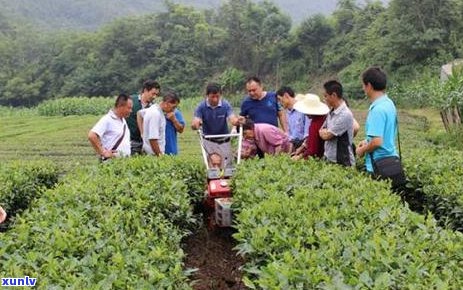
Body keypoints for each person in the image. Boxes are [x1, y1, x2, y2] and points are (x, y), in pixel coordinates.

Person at [355, 67, 404, 186]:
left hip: (378, 166)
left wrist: (362, 150)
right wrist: (366, 141)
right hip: (391, 161)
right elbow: (384, 134)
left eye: (363, 85)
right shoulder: (388, 103)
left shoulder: (377, 110)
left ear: (369, 86)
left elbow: (377, 142)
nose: (363, 88)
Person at [192, 83, 239, 166]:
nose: (215, 99)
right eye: (212, 97)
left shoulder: (225, 105)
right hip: (208, 141)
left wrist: (237, 122)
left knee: (227, 167)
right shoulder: (201, 107)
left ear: (220, 95)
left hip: (224, 140)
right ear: (207, 96)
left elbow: (232, 118)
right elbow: (196, 121)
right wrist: (196, 124)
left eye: (217, 96)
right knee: (211, 167)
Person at [319, 80, 356, 166]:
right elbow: (321, 130)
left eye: (326, 96)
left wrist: (326, 132)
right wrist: (326, 132)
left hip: (342, 162)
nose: (324, 99)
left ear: (334, 95)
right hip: (329, 158)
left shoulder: (345, 114)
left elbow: (327, 136)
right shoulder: (331, 112)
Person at [88, 94, 132, 161]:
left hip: (122, 163)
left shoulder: (123, 120)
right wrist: (103, 152)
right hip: (111, 163)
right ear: (120, 106)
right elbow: (92, 135)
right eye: (129, 108)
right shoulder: (107, 119)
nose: (131, 111)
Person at [126, 79, 161, 155]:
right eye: (153, 94)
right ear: (145, 90)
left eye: (156, 95)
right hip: (129, 141)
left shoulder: (153, 108)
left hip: (144, 144)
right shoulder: (131, 101)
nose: (154, 97)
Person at [139, 92, 180, 156]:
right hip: (153, 155)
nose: (173, 110)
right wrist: (160, 156)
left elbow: (139, 113)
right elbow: (153, 139)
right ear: (167, 103)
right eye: (173, 107)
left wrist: (143, 133)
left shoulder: (153, 108)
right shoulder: (156, 114)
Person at [292, 93, 329, 160]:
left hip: (319, 159)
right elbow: (310, 140)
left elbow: (312, 150)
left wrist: (299, 157)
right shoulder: (323, 118)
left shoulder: (315, 124)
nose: (305, 114)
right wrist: (302, 147)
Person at [276, 86, 311, 152]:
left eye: (280, 99)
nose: (280, 103)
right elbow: (290, 134)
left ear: (286, 96)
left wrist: (302, 148)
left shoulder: (303, 109)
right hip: (294, 146)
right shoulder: (287, 113)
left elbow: (308, 133)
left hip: (304, 145)